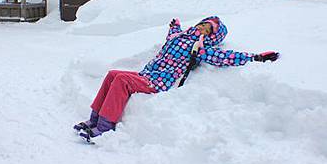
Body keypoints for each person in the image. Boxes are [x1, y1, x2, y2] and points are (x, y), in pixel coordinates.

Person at [74, 16, 279, 142]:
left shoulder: (200, 48)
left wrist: (255, 57)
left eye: (208, 30)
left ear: (211, 37)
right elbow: (172, 35)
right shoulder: (180, 37)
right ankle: (93, 120)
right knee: (113, 74)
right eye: (203, 25)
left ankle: (104, 127)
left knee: (122, 81)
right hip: (147, 74)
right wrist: (175, 26)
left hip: (159, 82)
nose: (202, 29)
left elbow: (224, 57)